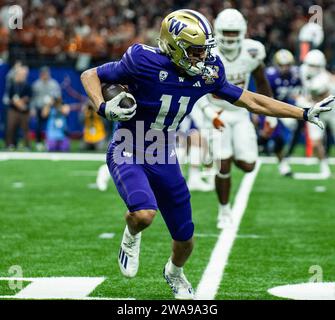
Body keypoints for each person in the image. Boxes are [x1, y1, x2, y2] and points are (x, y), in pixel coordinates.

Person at [80, 9, 334, 300]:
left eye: (205, 50)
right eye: (196, 51)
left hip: (164, 153)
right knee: (144, 214)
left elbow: (250, 100)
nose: (203, 58)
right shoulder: (142, 60)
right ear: (175, 47)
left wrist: (302, 112)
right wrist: (102, 107)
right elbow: (90, 75)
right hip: (127, 147)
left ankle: (174, 273)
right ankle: (131, 234)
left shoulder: (209, 70)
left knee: (185, 239)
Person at [195, 8, 273, 228]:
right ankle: (224, 211)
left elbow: (262, 81)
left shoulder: (253, 51)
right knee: (223, 162)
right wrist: (209, 113)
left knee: (248, 165)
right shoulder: (206, 53)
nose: (229, 37)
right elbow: (195, 88)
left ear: (242, 32)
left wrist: (271, 117)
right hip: (214, 112)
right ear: (218, 31)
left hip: (239, 113)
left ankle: (227, 160)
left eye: (233, 32)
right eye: (226, 32)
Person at [263, 49, 302, 176]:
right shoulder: (270, 75)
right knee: (275, 137)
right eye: (282, 65)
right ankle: (267, 149)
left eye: (287, 65)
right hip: (269, 108)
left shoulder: (296, 74)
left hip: (286, 106)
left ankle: (285, 159)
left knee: (300, 124)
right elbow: (265, 97)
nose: (285, 68)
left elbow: (300, 91)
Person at [31, 66, 61, 151]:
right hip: (39, 108)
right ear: (40, 74)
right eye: (43, 74)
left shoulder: (54, 84)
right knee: (38, 126)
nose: (45, 75)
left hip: (51, 109)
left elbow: (58, 96)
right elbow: (33, 98)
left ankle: (52, 142)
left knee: (52, 125)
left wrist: (52, 102)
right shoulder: (36, 84)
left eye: (46, 74)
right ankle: (38, 142)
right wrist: (32, 109)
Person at [5, 65, 32, 150]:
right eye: (20, 75)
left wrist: (21, 103)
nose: (21, 76)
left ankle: (27, 145)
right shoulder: (12, 85)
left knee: (26, 129)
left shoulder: (27, 86)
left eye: (23, 75)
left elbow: (29, 97)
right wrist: (17, 103)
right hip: (13, 110)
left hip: (24, 110)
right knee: (10, 127)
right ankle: (10, 145)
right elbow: (10, 97)